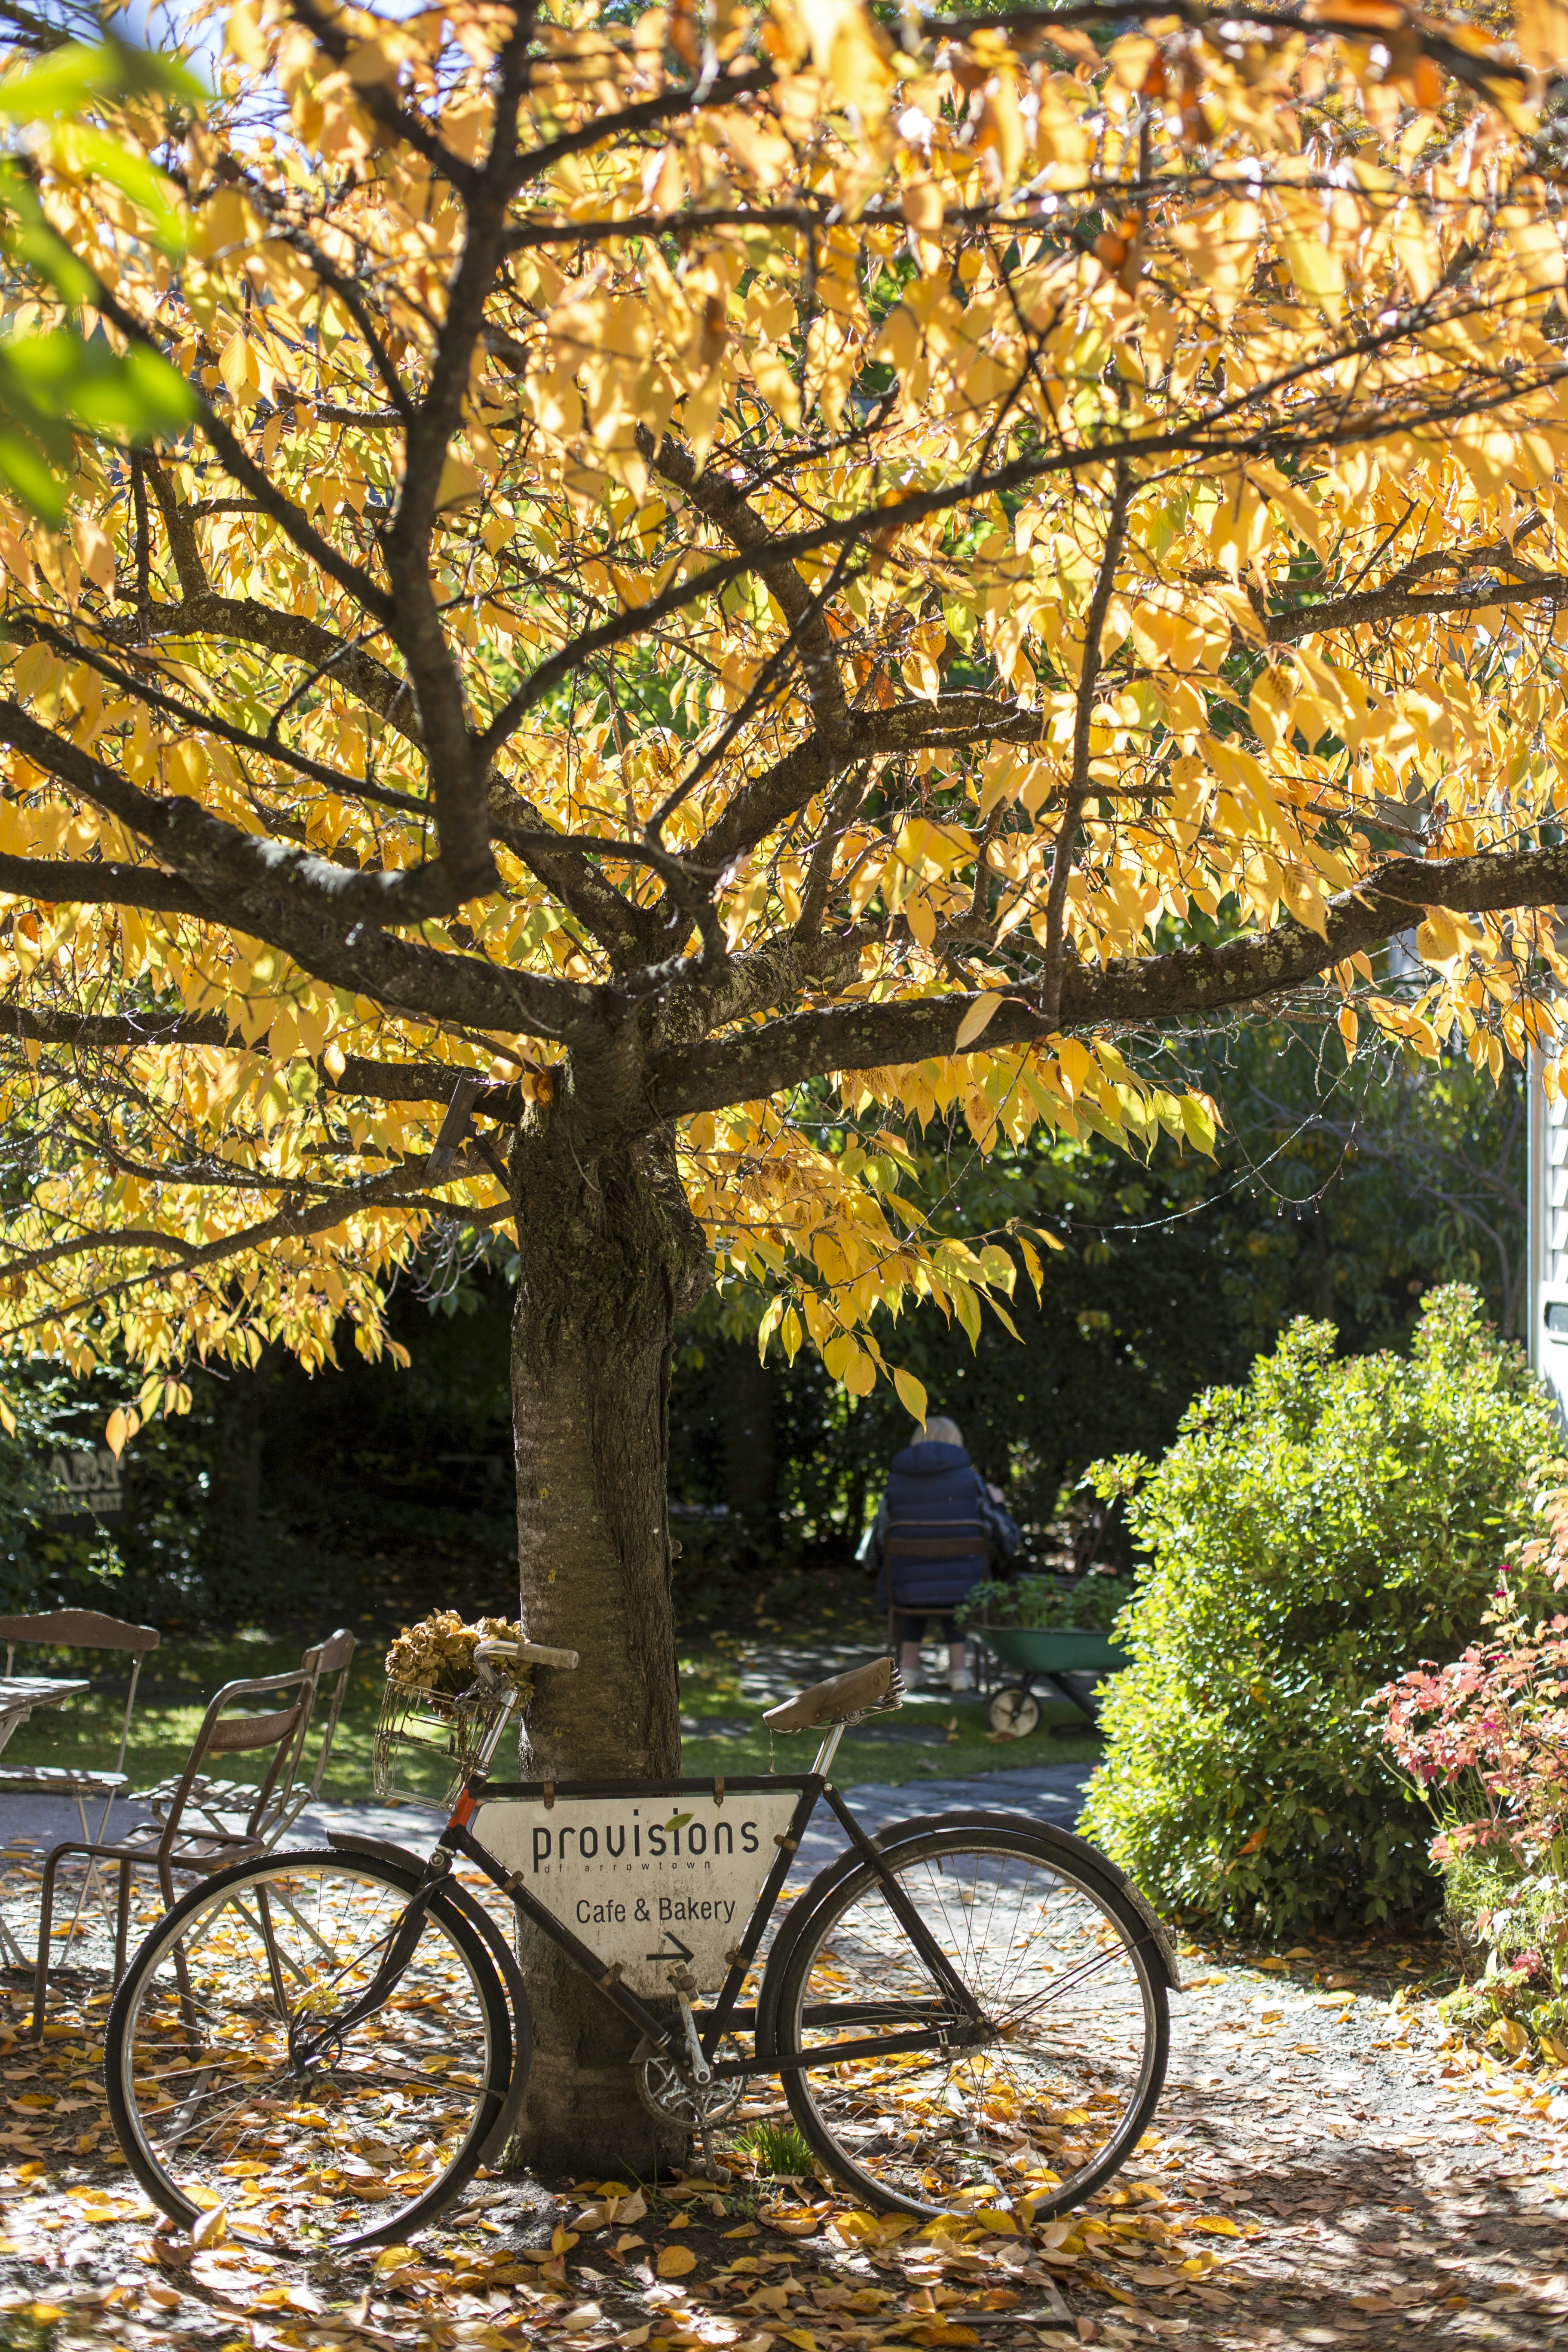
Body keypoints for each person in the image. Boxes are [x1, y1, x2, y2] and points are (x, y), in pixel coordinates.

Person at [858, 1415, 1021, 1692]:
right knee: (952, 1576)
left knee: (915, 1576)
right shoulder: (972, 1481)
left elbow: (877, 1539)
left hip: (907, 1590)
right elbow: (1008, 1539)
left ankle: (908, 1668)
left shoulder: (896, 1483)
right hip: (964, 1588)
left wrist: (872, 1563)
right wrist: (1000, 1504)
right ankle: (958, 1670)